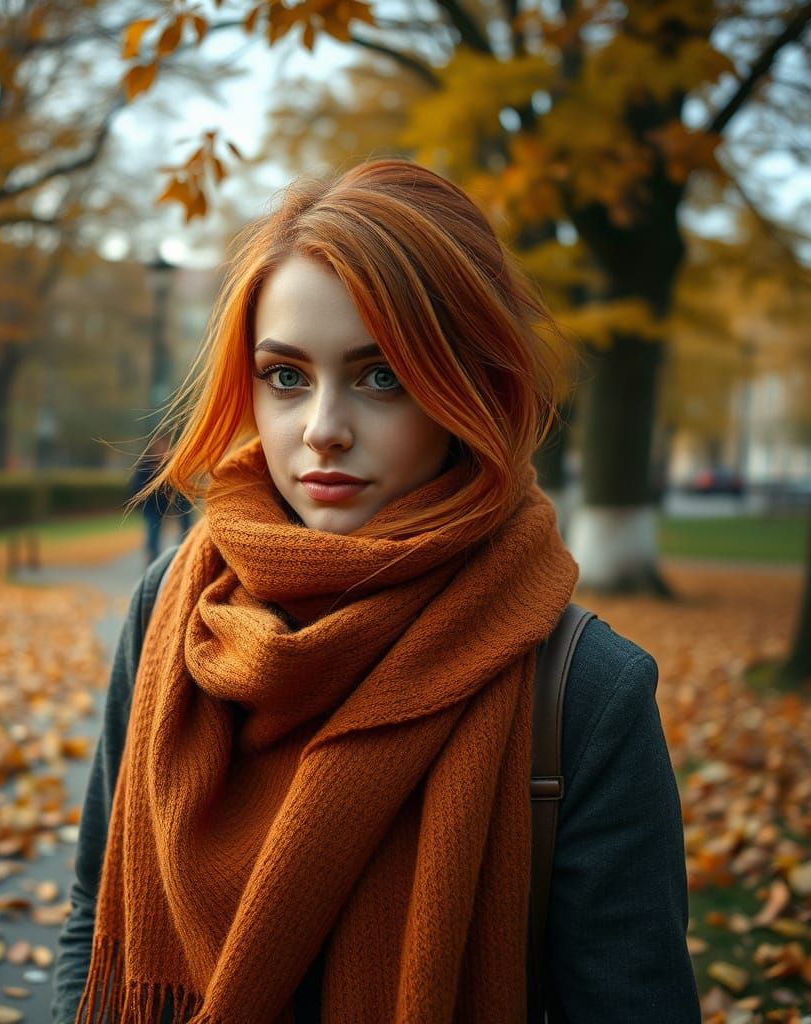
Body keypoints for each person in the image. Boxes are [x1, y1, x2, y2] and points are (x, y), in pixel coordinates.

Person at [54, 160, 700, 1023]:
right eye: (286, 376)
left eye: (381, 375)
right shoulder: (174, 602)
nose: (323, 429)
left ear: (466, 386)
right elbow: (95, 914)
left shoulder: (584, 690)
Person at [130, 433, 192, 564]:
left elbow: (181, 486)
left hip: (173, 504)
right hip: (152, 506)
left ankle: (184, 557)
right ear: (154, 447)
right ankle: (152, 561)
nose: (163, 450)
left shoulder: (172, 464)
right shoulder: (146, 465)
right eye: (160, 446)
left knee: (186, 525)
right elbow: (136, 486)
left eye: (166, 446)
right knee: (153, 532)